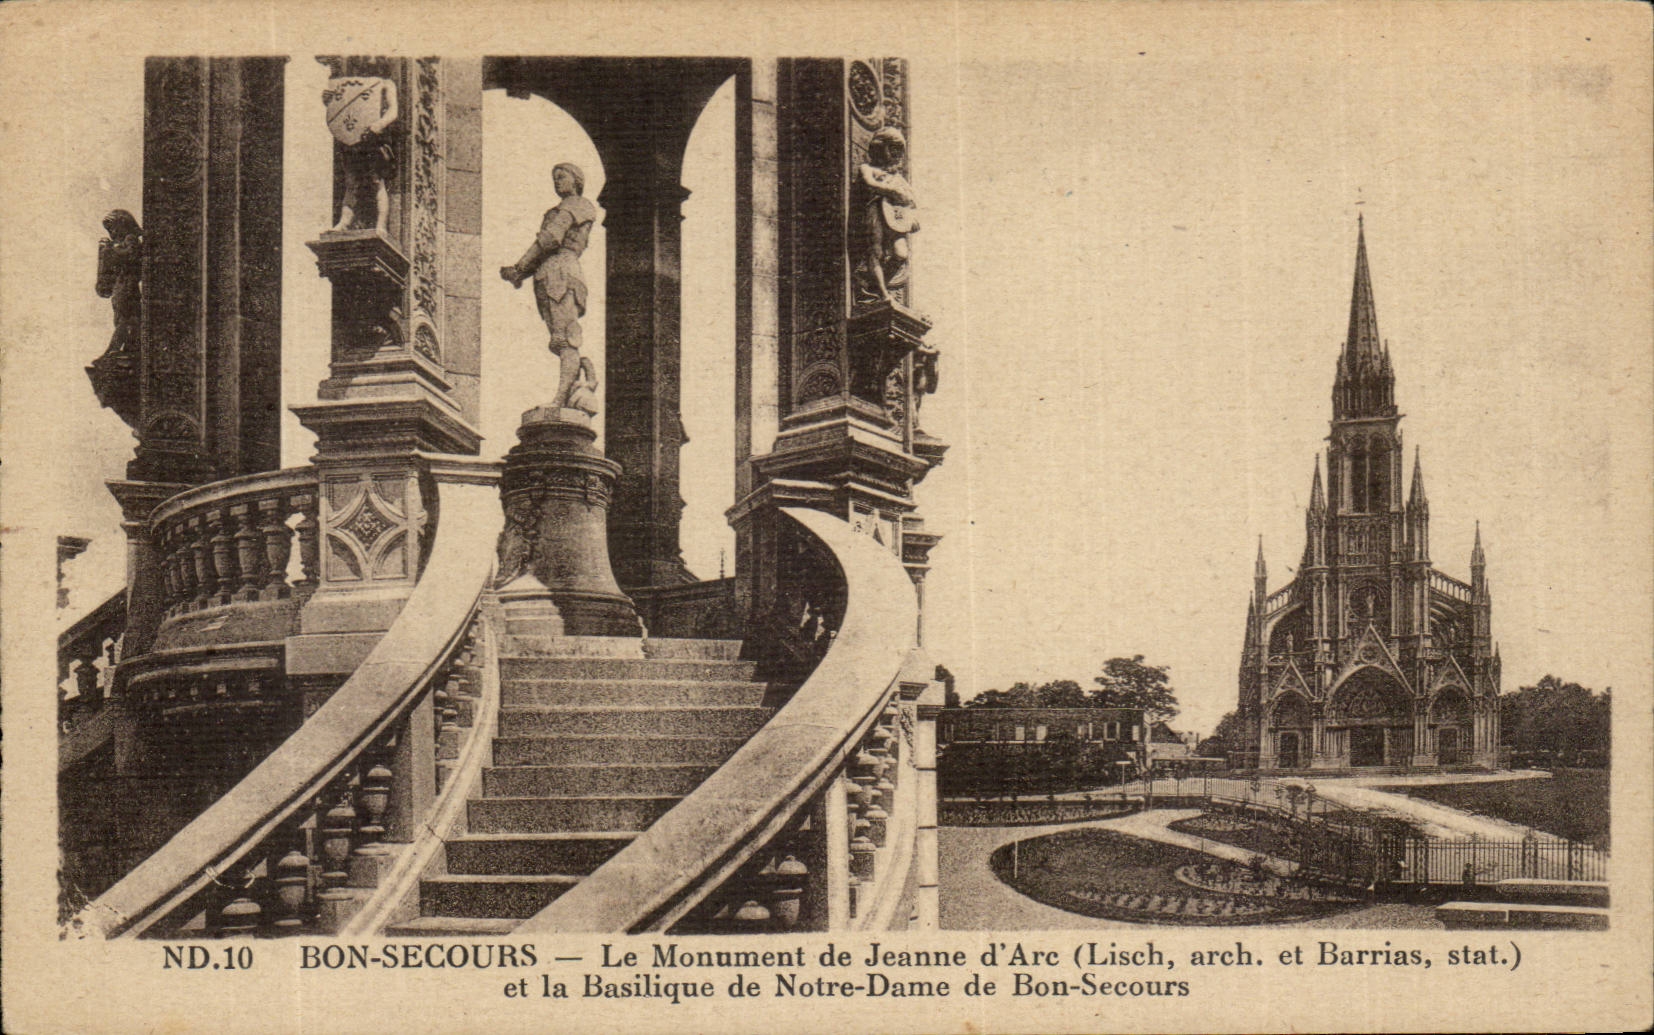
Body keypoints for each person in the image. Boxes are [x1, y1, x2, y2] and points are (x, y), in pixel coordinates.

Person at [501, 162, 598, 411]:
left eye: (562, 176)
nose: (557, 181)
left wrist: (519, 268)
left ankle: (561, 400)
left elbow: (551, 238)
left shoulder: (576, 205)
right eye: (554, 177)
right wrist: (521, 273)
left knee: (566, 339)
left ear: (576, 180)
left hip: (562, 273)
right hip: (549, 273)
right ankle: (578, 385)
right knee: (559, 339)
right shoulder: (562, 208)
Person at [324, 75, 399, 233]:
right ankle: (344, 222)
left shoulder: (386, 83)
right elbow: (338, 111)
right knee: (350, 183)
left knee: (377, 182)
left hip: (373, 140)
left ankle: (380, 225)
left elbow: (393, 111)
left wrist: (379, 125)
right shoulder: (347, 83)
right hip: (352, 141)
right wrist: (328, 100)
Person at [854, 127, 919, 306]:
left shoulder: (898, 177)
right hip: (874, 209)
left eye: (899, 150)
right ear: (881, 148)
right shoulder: (867, 168)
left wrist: (913, 220)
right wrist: (891, 190)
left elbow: (911, 202)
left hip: (894, 219)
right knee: (875, 251)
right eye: (893, 148)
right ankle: (882, 294)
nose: (896, 154)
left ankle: (876, 285)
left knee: (901, 253)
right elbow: (870, 183)